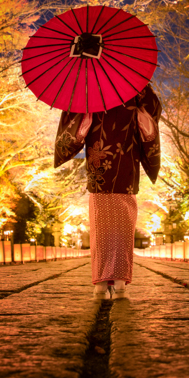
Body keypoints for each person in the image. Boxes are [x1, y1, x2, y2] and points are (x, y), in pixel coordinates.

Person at [55, 84, 161, 299]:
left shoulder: (87, 86)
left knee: (105, 224)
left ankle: (104, 284)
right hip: (121, 161)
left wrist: (85, 116)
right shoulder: (135, 84)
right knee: (117, 224)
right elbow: (152, 113)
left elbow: (72, 124)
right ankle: (115, 283)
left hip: (104, 160)